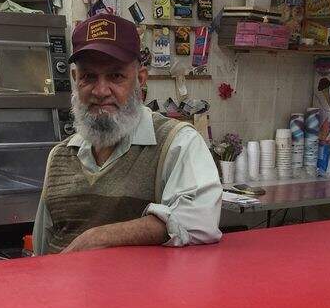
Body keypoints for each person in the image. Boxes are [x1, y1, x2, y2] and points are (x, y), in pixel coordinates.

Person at [33, 13, 222, 255]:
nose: (100, 91)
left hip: (141, 293)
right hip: (63, 291)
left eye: (116, 76)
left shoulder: (177, 143)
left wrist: (100, 237)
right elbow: (40, 252)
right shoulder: (59, 157)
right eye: (89, 76)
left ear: (140, 80)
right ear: (75, 79)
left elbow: (200, 221)